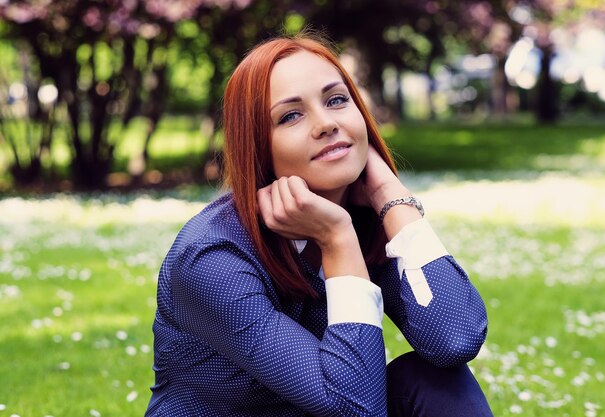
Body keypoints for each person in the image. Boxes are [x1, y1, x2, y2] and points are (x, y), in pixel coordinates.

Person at [145, 33, 493, 417]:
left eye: (336, 100)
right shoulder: (212, 259)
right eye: (290, 115)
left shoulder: (365, 218)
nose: (326, 123)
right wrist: (337, 239)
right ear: (258, 146)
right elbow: (354, 409)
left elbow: (455, 339)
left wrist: (389, 194)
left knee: (440, 383)